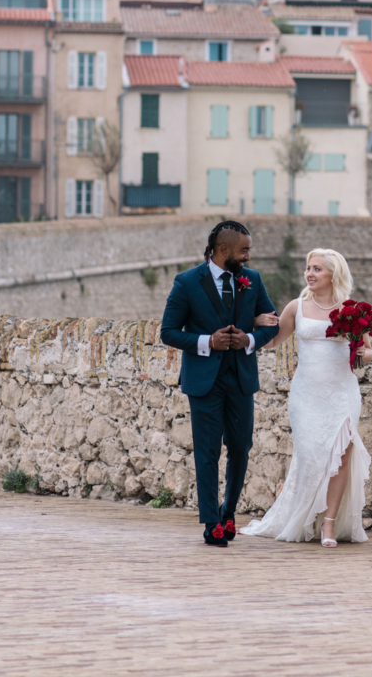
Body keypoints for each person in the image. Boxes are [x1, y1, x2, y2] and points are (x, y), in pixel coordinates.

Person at [242, 249, 372, 548]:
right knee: (312, 455)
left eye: (317, 269)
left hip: (342, 392)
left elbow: (367, 350)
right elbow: (273, 342)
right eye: (308, 268)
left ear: (333, 275)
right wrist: (255, 323)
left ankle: (328, 525)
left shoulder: (353, 310)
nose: (310, 274)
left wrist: (364, 353)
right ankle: (304, 516)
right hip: (306, 394)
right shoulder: (296, 307)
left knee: (340, 456)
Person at [160, 220, 279, 547]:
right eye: (244, 250)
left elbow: (271, 323)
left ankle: (229, 512)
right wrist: (206, 342)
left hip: (241, 378)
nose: (249, 256)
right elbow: (168, 331)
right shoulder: (186, 282)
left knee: (241, 448)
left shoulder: (251, 280)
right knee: (208, 451)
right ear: (222, 250)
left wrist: (250, 339)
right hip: (204, 381)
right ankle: (211, 521)